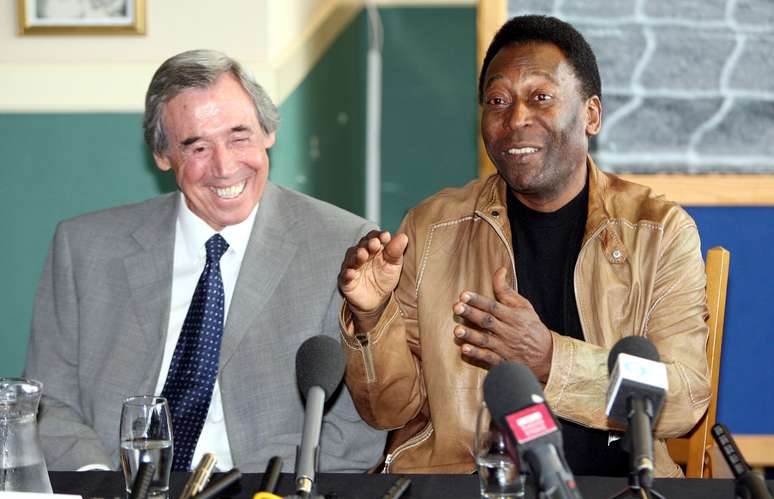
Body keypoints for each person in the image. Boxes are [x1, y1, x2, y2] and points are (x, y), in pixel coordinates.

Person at [338, 15, 710, 477]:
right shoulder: (432, 227)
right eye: (498, 101)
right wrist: (373, 318)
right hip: (470, 483)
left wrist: (551, 360)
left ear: (591, 114)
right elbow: (388, 412)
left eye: (541, 98)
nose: (516, 119)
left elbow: (684, 398)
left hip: (613, 484)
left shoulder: (657, 232)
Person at [25, 49, 385, 472]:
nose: (225, 165)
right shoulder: (85, 247)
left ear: (268, 133)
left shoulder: (342, 245)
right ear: (162, 156)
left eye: (239, 136)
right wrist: (101, 483)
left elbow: (357, 425)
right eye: (196, 146)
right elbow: (49, 404)